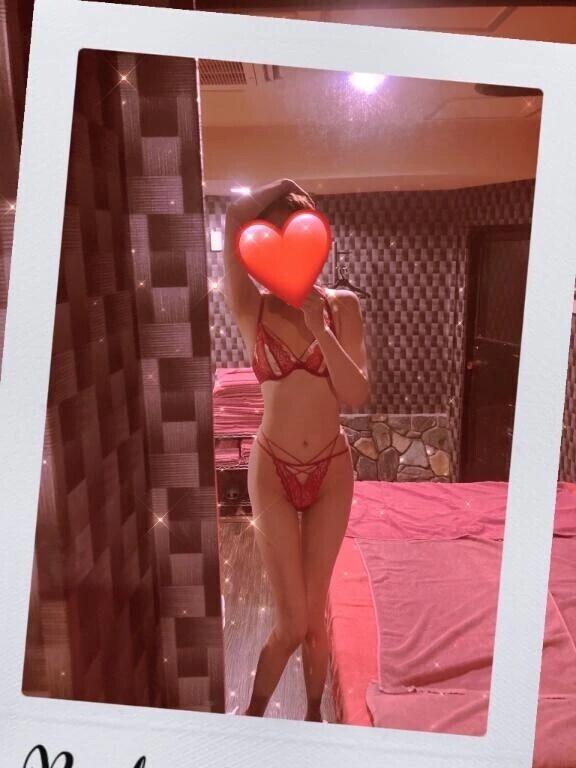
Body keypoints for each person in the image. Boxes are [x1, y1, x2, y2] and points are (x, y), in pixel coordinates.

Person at [222, 177, 369, 721]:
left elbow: (354, 393)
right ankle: (252, 720)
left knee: (314, 618)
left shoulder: (342, 306)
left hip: (331, 469)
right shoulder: (250, 305)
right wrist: (282, 185)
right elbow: (234, 217)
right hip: (273, 470)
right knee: (292, 623)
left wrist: (318, 328)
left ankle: (313, 717)